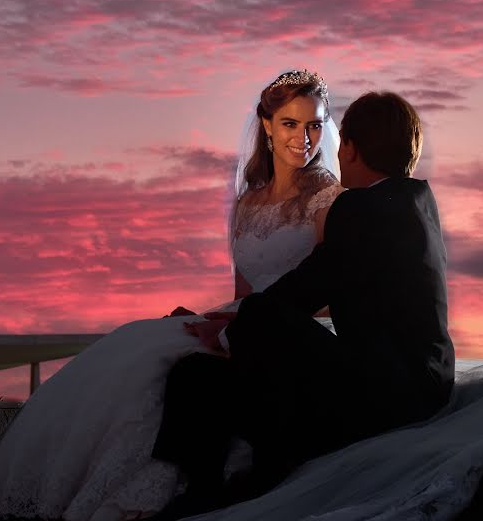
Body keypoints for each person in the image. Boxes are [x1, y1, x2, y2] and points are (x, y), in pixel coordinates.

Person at [0, 69, 345, 521]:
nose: (304, 137)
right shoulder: (248, 204)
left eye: (314, 125)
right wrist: (218, 321)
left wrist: (243, 331)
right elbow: (242, 292)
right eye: (290, 124)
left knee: (180, 367)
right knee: (139, 347)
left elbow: (325, 292)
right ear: (267, 126)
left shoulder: (328, 198)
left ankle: (171, 488)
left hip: (292, 329)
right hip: (242, 317)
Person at [150, 91, 456, 520]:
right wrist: (234, 320)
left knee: (258, 319)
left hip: (391, 391)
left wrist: (228, 327)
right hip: (411, 381)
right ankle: (204, 487)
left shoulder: (362, 206)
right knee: (195, 375)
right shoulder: (415, 199)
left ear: (350, 148)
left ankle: (262, 469)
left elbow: (307, 287)